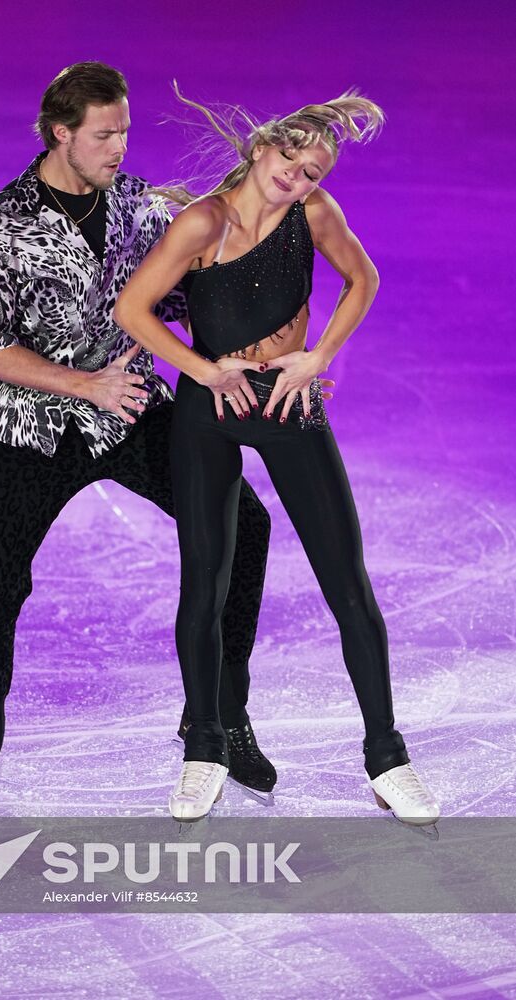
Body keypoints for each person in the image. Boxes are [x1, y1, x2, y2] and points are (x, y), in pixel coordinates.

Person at [0, 62, 279, 804]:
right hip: (32, 429)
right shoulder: (3, 226)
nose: (119, 145)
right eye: (104, 133)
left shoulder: (141, 209)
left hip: (132, 414)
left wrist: (245, 314)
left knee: (243, 525)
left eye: (124, 130)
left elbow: (174, 298)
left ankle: (219, 714)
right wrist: (88, 383)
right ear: (62, 133)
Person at [114, 88, 440, 825]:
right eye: (292, 165)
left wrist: (317, 354)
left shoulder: (314, 216)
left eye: (313, 174)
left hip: (287, 402)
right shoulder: (203, 221)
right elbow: (132, 309)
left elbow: (363, 279)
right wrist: (202, 371)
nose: (299, 181)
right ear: (263, 150)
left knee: (346, 584)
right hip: (209, 412)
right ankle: (204, 747)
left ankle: (386, 758)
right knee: (204, 583)